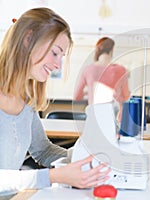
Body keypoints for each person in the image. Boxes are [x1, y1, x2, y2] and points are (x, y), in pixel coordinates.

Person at [0, 8, 110, 196]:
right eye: (55, 53)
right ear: (28, 39)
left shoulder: (26, 100)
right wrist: (53, 176)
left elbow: (43, 150)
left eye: (61, 57)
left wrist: (86, 158)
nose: (58, 65)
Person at [73, 37, 130, 122]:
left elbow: (76, 96)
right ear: (111, 51)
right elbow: (126, 96)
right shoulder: (121, 69)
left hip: (96, 118)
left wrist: (90, 91)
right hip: (116, 118)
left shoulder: (88, 69)